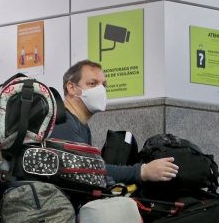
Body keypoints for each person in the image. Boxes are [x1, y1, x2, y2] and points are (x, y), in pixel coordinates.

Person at [51, 60, 179, 184]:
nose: (101, 90)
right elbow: (87, 169)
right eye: (92, 83)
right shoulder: (62, 122)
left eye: (104, 85)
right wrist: (143, 171)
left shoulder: (80, 124)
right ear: (72, 88)